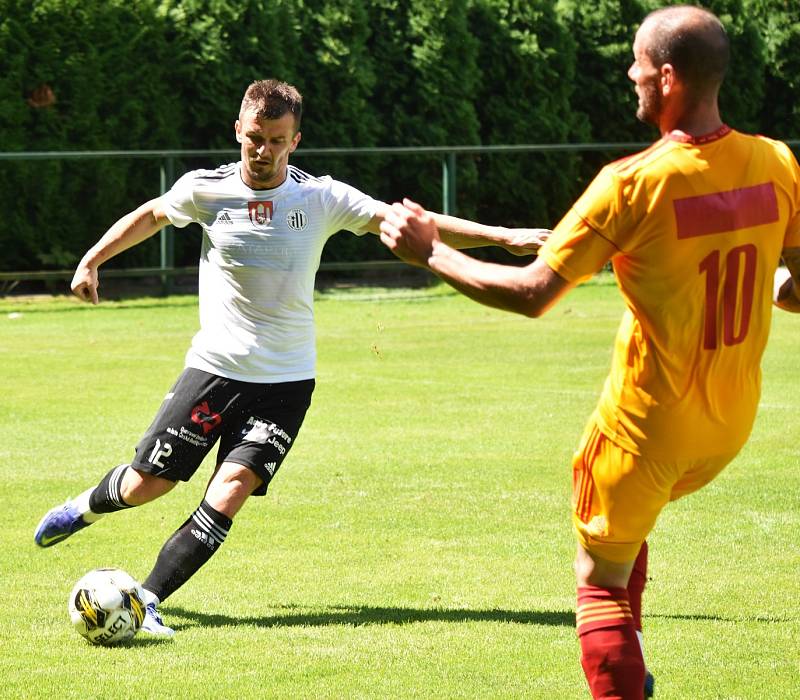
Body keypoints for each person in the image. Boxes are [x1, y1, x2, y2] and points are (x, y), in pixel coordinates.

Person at [379, 6, 800, 699]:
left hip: (646, 426)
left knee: (597, 580)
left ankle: (619, 676)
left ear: (666, 77)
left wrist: (432, 253)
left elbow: (531, 292)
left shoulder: (631, 183)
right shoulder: (775, 161)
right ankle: (631, 666)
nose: (629, 75)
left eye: (637, 63)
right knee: (623, 541)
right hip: (731, 424)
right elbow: (795, 281)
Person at [34, 79, 548, 636]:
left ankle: (146, 600)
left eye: (276, 140)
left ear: (295, 141)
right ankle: (82, 508)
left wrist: (504, 236)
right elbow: (153, 215)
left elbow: (409, 227)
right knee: (146, 486)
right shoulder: (205, 190)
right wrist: (91, 259)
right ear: (238, 130)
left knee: (230, 490)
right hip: (214, 370)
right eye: (254, 137)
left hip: (286, 381)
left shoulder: (321, 198)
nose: (262, 151)